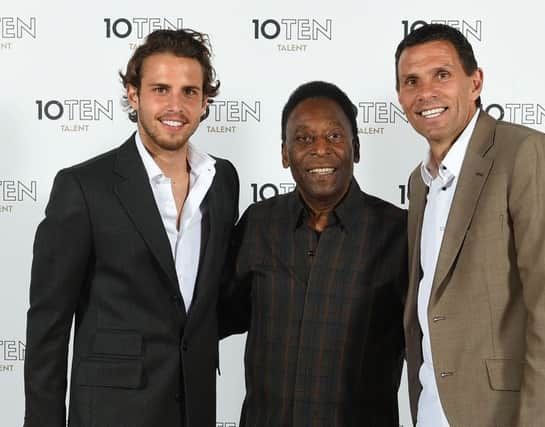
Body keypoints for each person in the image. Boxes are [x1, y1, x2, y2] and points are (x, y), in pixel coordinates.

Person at [24, 29, 239, 427]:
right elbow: (47, 329)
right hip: (111, 414)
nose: (176, 105)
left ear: (205, 100)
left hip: (194, 410)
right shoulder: (84, 187)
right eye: (161, 89)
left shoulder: (222, 180)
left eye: (189, 91)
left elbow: (212, 303)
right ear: (134, 94)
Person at [395, 23, 545, 426]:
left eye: (442, 75)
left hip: (510, 415)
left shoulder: (526, 154)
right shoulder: (418, 184)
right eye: (411, 81)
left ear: (475, 82)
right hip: (435, 413)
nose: (426, 93)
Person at [219, 81, 407, 426]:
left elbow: (434, 348)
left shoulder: (400, 233)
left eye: (334, 136)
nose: (320, 149)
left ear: (356, 147)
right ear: (285, 153)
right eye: (303, 138)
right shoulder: (259, 224)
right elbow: (212, 318)